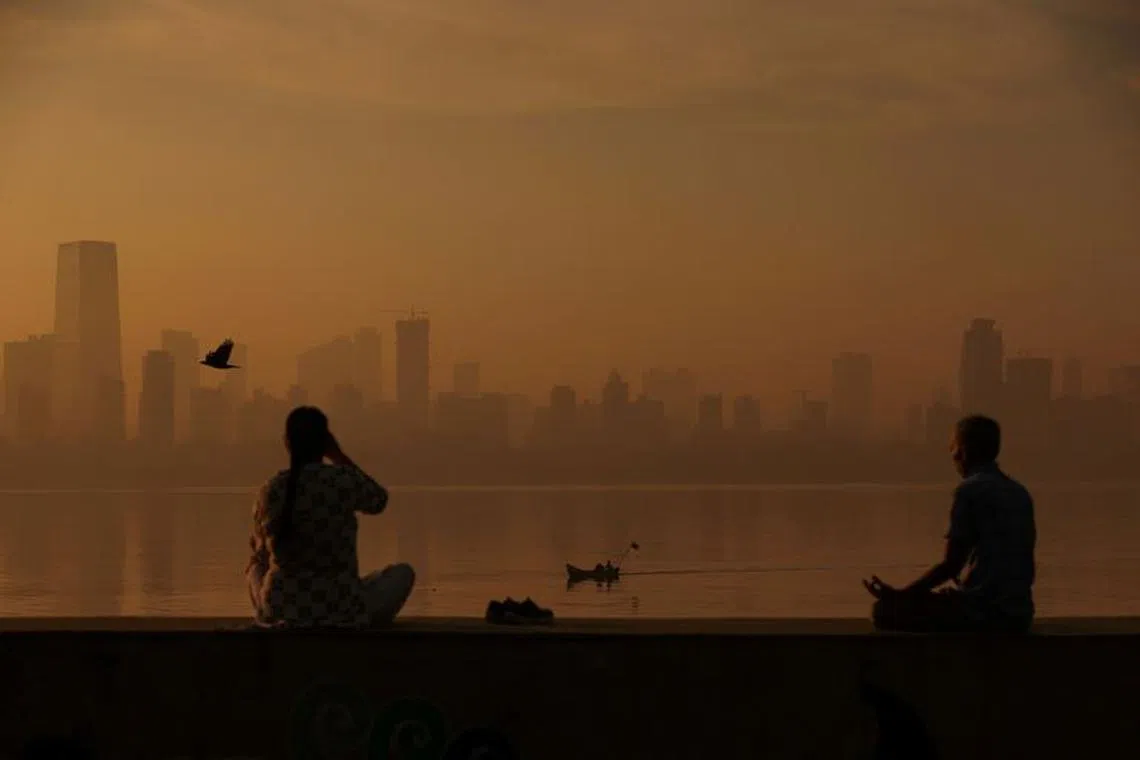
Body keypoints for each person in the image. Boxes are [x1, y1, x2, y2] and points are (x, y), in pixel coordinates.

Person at [863, 415, 1036, 633]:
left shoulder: (970, 491)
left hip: (982, 613)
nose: (952, 456)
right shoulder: (1019, 493)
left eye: (952, 448)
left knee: (883, 611)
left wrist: (902, 596)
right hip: (1019, 614)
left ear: (962, 452)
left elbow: (951, 565)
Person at [246, 406, 415, 628]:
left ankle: (266, 616)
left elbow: (262, 551)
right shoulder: (342, 480)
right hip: (341, 610)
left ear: (287, 442)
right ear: (325, 442)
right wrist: (338, 455)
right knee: (402, 574)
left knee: (255, 567)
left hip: (282, 609)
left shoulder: (271, 489)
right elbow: (378, 500)